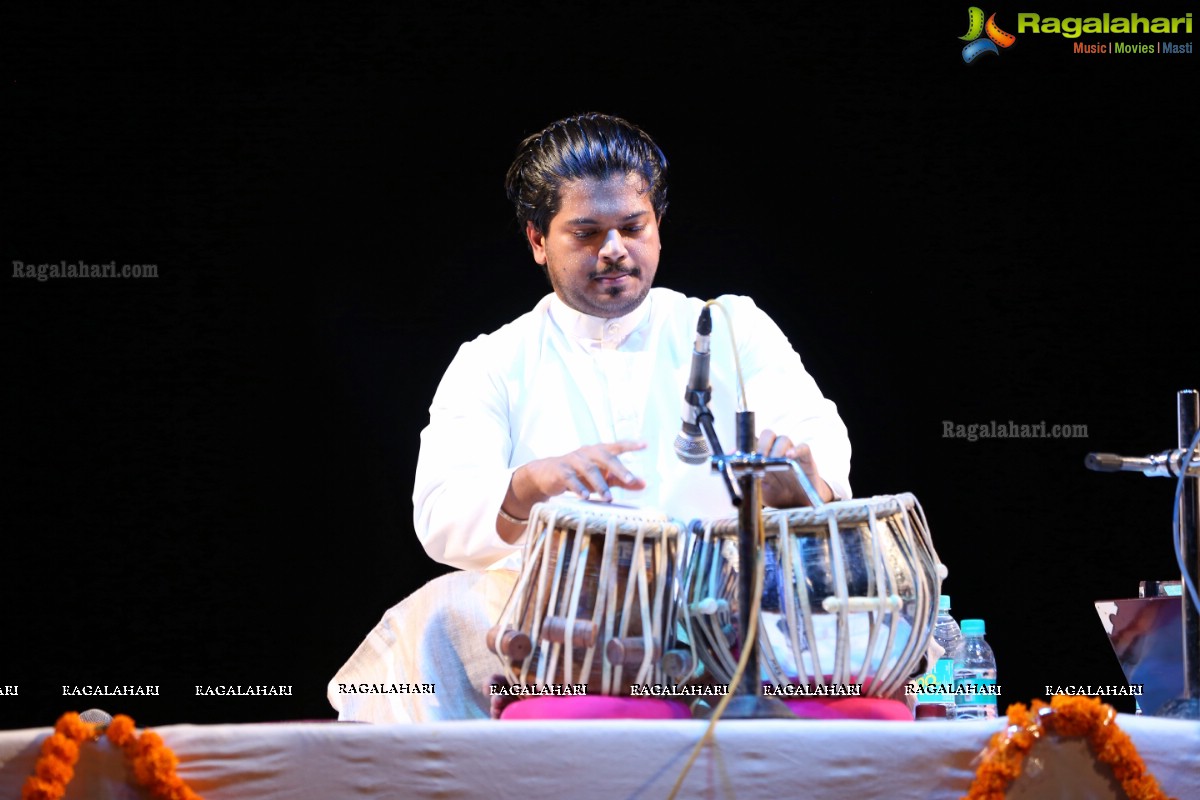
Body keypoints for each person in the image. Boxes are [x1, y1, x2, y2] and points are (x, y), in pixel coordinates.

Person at [327, 112, 852, 723]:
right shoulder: (493, 360)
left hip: (718, 603)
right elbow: (441, 518)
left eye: (633, 226)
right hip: (555, 620)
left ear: (657, 228)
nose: (614, 250)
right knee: (444, 614)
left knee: (859, 611)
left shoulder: (733, 330)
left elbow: (821, 461)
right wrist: (529, 485)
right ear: (537, 240)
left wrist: (800, 485)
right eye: (585, 233)